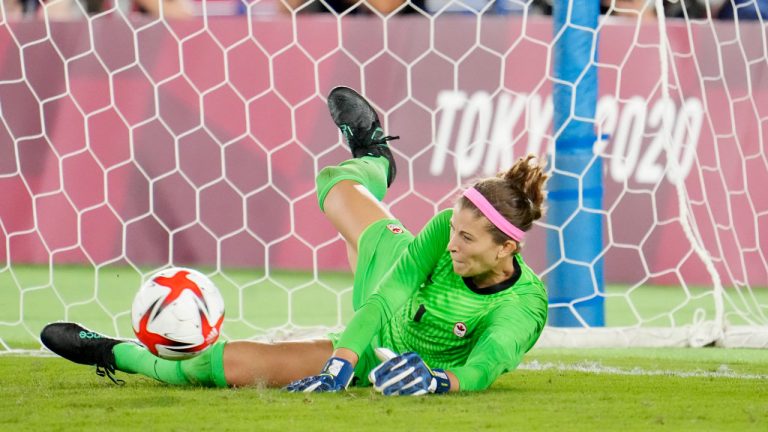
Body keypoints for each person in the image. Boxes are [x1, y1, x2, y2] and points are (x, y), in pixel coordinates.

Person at [40, 86, 548, 395]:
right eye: (452, 230)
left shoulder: (525, 306)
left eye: (467, 239)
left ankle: (110, 351)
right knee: (334, 186)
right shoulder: (445, 230)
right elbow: (388, 295)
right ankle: (374, 158)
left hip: (388, 359)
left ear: (506, 248)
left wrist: (440, 381)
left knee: (214, 367)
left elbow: (485, 366)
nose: (452, 243)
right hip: (388, 276)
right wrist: (338, 363)